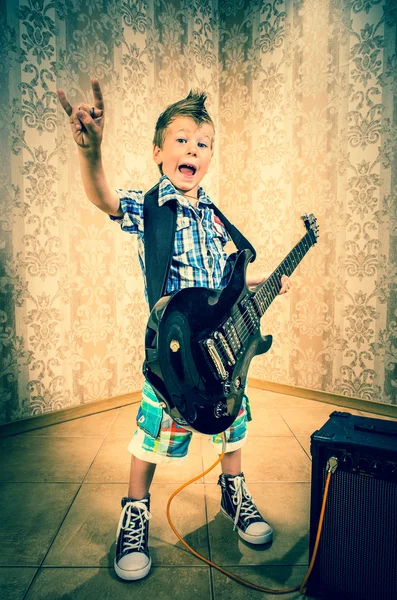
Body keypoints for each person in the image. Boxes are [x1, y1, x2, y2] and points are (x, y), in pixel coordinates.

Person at [57, 78, 292, 582]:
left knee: (232, 417)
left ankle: (234, 494)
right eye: (182, 139)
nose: (193, 149)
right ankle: (135, 512)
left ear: (210, 157)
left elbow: (228, 280)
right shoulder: (150, 207)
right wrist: (91, 153)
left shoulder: (214, 216)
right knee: (153, 432)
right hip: (174, 349)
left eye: (203, 143)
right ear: (159, 151)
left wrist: (264, 278)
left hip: (217, 347)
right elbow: (103, 198)